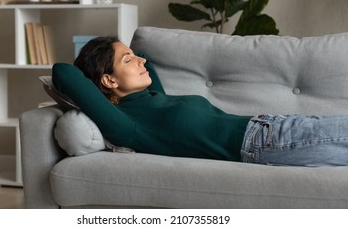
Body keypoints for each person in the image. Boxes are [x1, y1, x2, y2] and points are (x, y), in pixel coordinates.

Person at [52, 37, 348, 167]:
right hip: (261, 142)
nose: (140, 60)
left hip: (271, 127)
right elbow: (63, 71)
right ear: (108, 81)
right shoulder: (127, 125)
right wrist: (99, 63)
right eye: (128, 60)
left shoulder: (154, 100)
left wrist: (129, 56)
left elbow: (146, 56)